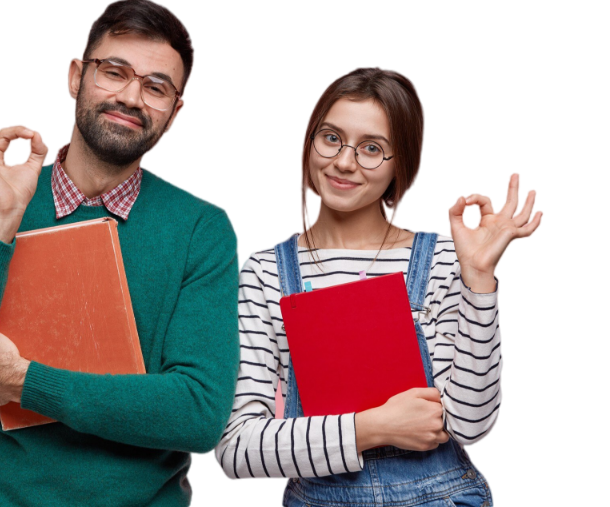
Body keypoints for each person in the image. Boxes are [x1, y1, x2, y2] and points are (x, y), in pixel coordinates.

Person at [0, 0, 240, 507]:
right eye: (114, 72)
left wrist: (22, 380)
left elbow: (198, 413)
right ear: (75, 77)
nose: (131, 96)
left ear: (176, 112)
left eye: (156, 87)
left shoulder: (202, 230)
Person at [213, 67, 542, 505]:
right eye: (331, 138)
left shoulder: (444, 260)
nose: (344, 162)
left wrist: (479, 280)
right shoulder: (264, 273)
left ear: (400, 166)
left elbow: (470, 425)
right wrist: (373, 427)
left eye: (372, 149)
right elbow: (236, 450)